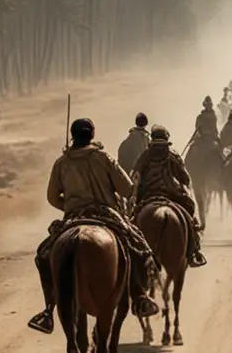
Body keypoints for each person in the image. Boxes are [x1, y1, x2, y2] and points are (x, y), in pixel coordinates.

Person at [28, 118, 159, 334]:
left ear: (73, 135)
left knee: (43, 254)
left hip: (74, 216)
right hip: (107, 213)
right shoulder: (103, 157)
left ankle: (49, 310)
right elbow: (126, 190)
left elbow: (52, 197)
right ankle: (140, 296)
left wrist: (69, 207)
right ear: (92, 134)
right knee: (140, 248)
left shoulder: (62, 162)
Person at [132, 126, 207, 267]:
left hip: (148, 195)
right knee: (189, 210)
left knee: (132, 220)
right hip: (171, 194)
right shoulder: (172, 155)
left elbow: (135, 175)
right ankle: (194, 249)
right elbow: (185, 179)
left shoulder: (145, 155)